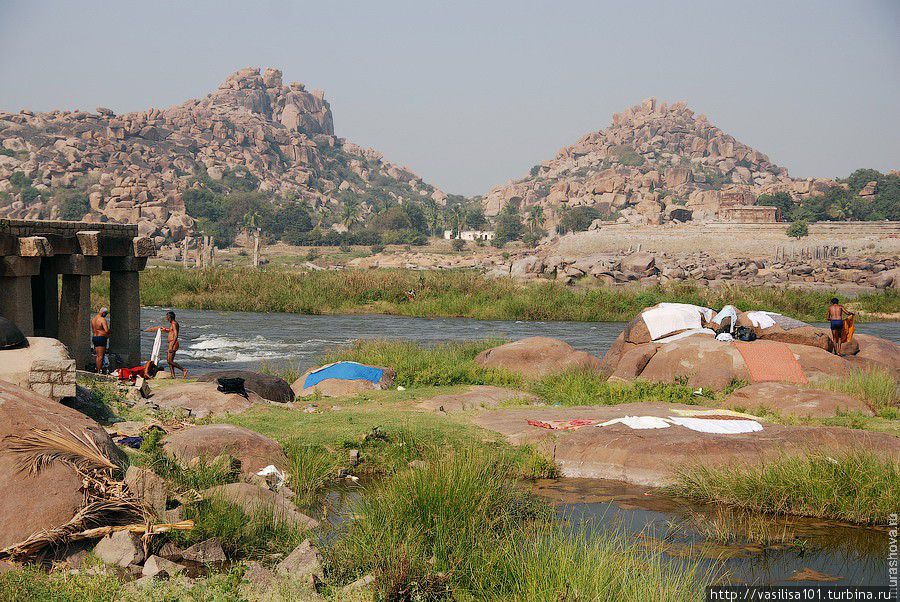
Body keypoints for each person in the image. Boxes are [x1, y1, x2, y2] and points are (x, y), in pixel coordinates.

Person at [146, 310, 187, 378]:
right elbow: (171, 331)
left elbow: (176, 335)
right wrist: (165, 330)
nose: (166, 318)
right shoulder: (173, 324)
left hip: (173, 343)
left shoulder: (174, 324)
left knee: (169, 361)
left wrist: (172, 345)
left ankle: (183, 369)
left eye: (167, 317)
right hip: (171, 343)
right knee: (169, 361)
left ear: (170, 317)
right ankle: (173, 376)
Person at [90, 307, 110, 372]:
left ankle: (97, 369)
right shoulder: (102, 319)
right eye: (106, 313)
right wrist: (110, 332)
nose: (106, 315)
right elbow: (106, 330)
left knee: (98, 356)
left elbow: (94, 330)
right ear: (103, 312)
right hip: (101, 338)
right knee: (101, 356)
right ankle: (99, 371)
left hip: (95, 338)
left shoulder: (93, 319)